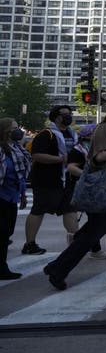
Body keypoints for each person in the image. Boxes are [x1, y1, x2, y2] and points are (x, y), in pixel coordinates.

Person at [43, 100, 106, 290]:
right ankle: (58, 268)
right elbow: (99, 157)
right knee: (97, 230)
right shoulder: (105, 128)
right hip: (105, 183)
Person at [22, 105, 78, 255]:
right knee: (39, 210)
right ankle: (29, 244)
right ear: (57, 117)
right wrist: (61, 159)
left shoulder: (72, 134)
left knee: (70, 209)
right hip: (47, 180)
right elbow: (37, 155)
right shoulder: (46, 134)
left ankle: (76, 243)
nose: (69, 116)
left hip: (67, 179)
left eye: (70, 114)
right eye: (66, 114)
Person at [66, 124, 106, 259]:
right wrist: (87, 176)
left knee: (96, 219)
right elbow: (71, 167)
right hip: (85, 187)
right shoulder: (78, 150)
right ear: (89, 135)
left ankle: (87, 244)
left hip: (94, 187)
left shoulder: (93, 148)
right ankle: (91, 247)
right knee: (96, 220)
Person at [0, 118, 27, 279]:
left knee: (6, 233)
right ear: (6, 131)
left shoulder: (15, 148)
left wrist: (22, 194)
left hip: (12, 196)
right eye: (15, 128)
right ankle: (2, 268)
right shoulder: (3, 150)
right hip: (2, 196)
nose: (19, 131)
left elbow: (20, 175)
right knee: (2, 234)